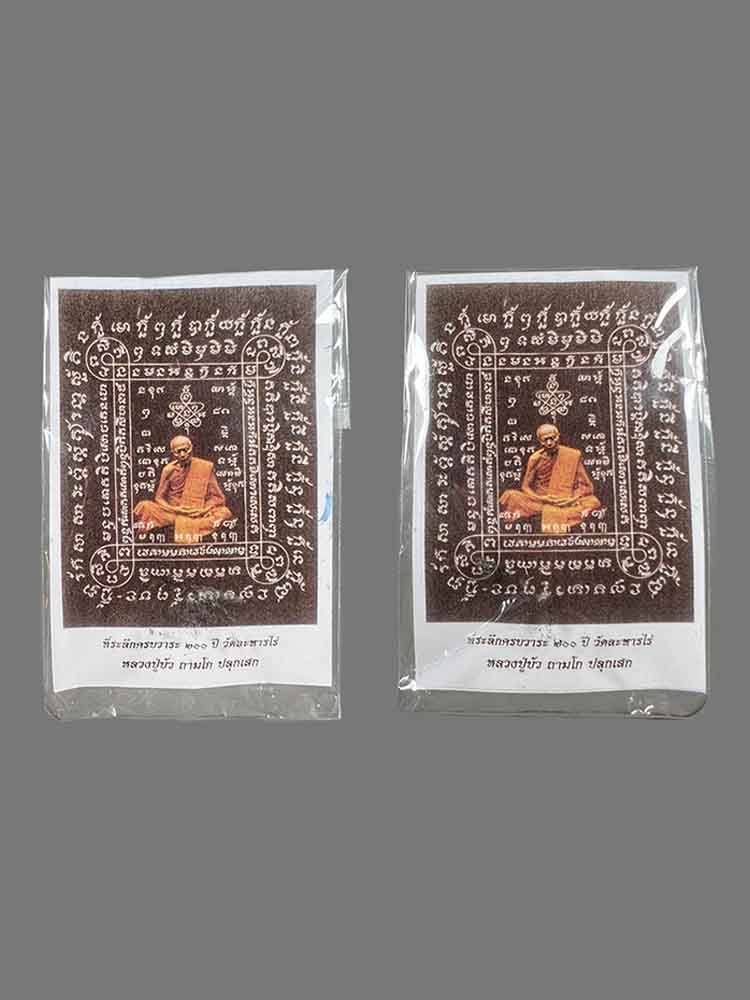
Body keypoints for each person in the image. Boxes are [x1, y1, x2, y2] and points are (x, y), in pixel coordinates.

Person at [500, 424, 600, 534]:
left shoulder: (572, 455)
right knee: (511, 495)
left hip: (566, 499)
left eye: (552, 438)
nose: (549, 443)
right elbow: (525, 487)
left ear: (558, 436)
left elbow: (586, 486)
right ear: (540, 441)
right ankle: (554, 512)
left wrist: (572, 499)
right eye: (545, 440)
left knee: (593, 502)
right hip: (541, 501)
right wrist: (543, 499)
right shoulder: (535, 459)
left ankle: (554, 511)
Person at [134, 435, 233, 544]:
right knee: (144, 506)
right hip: (173, 513)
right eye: (178, 451)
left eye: (185, 450)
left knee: (224, 512)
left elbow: (217, 497)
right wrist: (176, 510)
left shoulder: (204, 467)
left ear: (191, 449)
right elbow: (159, 498)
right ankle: (189, 525)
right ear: (173, 453)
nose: (182, 454)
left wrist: (204, 510)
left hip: (197, 512)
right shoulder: (168, 470)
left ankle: (186, 525)